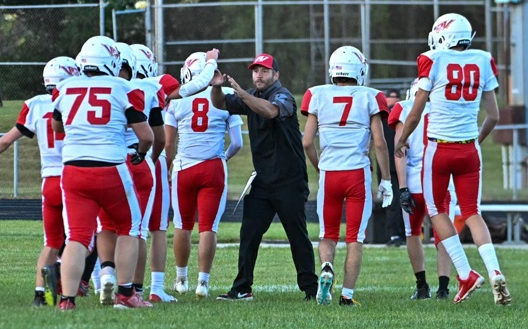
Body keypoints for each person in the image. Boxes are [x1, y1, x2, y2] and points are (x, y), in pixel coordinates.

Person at [394, 13, 511, 305]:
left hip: (439, 148)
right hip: (469, 148)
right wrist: (475, 140)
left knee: (436, 212)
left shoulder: (432, 59)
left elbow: (417, 109)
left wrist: (402, 138)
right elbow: (494, 116)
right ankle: (495, 270)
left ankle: (465, 273)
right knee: (472, 211)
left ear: (442, 37)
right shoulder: (483, 59)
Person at [51, 35, 154, 310]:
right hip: (110, 167)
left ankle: (67, 301)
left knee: (77, 236)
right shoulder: (122, 87)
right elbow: (146, 135)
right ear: (111, 62)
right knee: (129, 227)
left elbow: (57, 128)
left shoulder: (64, 87)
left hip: (72, 170)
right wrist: (141, 153)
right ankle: (126, 294)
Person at [211, 53, 318, 301]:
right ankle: (242, 287)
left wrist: (243, 95)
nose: (259, 75)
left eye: (265, 70)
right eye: (256, 70)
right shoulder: (251, 95)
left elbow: (271, 112)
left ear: (276, 75)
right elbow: (220, 104)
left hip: (289, 181)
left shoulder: (283, 96)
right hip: (263, 180)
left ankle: (311, 290)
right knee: (249, 233)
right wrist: (217, 88)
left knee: (297, 235)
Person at [128, 44, 221, 303]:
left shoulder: (111, 86)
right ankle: (148, 288)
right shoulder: (157, 84)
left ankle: (104, 280)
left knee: (109, 226)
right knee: (152, 226)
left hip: (109, 159)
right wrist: (211, 62)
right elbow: (194, 86)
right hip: (146, 159)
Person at [301, 46, 393, 306]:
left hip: (330, 173)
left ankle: (327, 266)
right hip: (356, 174)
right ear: (359, 69)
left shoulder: (317, 94)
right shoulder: (370, 96)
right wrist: (386, 179)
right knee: (355, 238)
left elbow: (307, 142)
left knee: (327, 234)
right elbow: (379, 142)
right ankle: (347, 295)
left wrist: (321, 167)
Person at [0, 56, 79, 306]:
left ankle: (39, 295)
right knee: (81, 237)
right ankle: (72, 285)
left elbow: (5, 141)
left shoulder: (34, 104)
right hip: (75, 177)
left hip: (49, 181)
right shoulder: (77, 99)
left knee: (52, 242)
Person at [165, 52, 243, 299]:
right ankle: (203, 283)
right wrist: (222, 158)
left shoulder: (177, 99)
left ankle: (181, 279)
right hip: (213, 168)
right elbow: (238, 143)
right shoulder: (226, 96)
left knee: (182, 225)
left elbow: (168, 145)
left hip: (184, 168)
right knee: (209, 227)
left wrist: (167, 169)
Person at [388, 78, 456, 300]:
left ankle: (422, 286)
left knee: (412, 232)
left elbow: (400, 152)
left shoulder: (403, 108)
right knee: (443, 236)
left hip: (415, 182)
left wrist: (403, 187)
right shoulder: (445, 109)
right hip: (440, 181)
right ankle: (443, 289)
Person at [379, 89, 405, 247]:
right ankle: (395, 233)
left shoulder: (402, 114)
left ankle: (400, 233)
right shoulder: (382, 116)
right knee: (392, 200)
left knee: (397, 200)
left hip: (398, 162)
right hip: (389, 163)